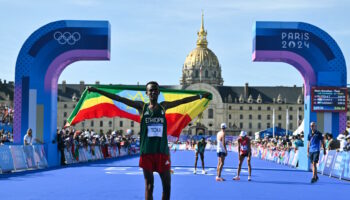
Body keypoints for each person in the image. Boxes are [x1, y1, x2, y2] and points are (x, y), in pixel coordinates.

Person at [88, 81, 210, 200]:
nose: (153, 92)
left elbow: (182, 101)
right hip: (147, 152)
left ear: (158, 92)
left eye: (155, 90)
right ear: (146, 93)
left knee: (167, 187)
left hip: (162, 152)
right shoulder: (142, 107)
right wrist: (97, 90)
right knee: (149, 186)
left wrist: (200, 96)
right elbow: (118, 98)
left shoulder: (164, 106)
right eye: (150, 90)